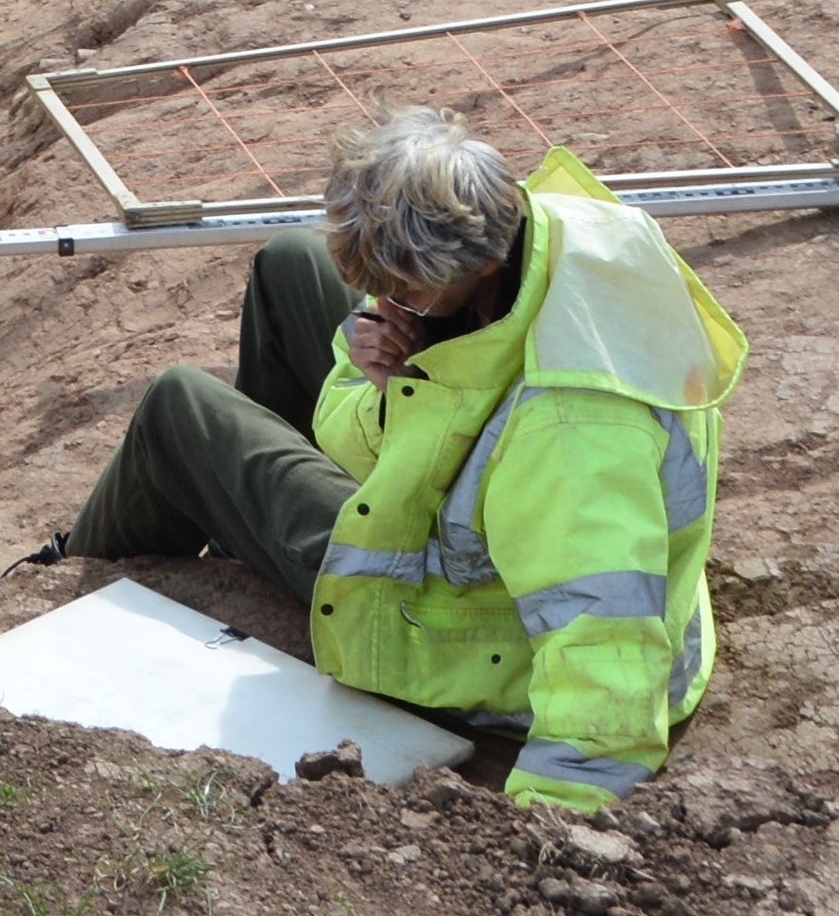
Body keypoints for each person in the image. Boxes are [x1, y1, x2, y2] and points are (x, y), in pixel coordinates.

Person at [46, 107, 743, 815]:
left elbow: (605, 641)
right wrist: (387, 387)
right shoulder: (544, 233)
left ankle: (62, 593)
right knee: (291, 260)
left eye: (403, 291)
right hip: (475, 515)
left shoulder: (572, 435)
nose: (382, 304)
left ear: (478, 260)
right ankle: (245, 533)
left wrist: (552, 819)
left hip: (472, 627)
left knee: (179, 410)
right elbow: (411, 429)